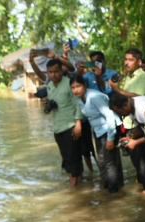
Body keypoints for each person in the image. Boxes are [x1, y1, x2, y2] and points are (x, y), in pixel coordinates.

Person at [30, 55, 85, 186]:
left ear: (61, 70)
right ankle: (75, 182)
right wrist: (47, 105)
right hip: (57, 127)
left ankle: (74, 188)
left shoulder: (69, 83)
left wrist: (78, 124)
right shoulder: (49, 86)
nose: (53, 75)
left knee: (73, 156)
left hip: (71, 125)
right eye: (50, 72)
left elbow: (77, 104)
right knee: (66, 158)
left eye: (56, 71)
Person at [109, 49, 145, 192]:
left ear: (139, 62)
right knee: (137, 161)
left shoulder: (144, 77)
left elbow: (137, 97)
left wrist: (118, 90)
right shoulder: (127, 77)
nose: (126, 62)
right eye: (126, 59)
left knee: (143, 161)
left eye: (130, 60)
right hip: (132, 124)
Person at [71, 76, 124, 193]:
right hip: (98, 130)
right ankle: (110, 185)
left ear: (84, 85)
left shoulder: (94, 97)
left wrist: (110, 138)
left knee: (109, 161)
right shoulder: (80, 99)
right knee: (101, 160)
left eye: (78, 86)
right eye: (73, 88)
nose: (76, 90)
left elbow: (109, 116)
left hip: (109, 127)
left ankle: (113, 191)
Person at [110, 91, 145, 192]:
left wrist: (135, 142)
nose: (120, 115)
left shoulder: (142, 109)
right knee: (140, 155)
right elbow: (142, 127)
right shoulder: (131, 108)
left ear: (125, 105)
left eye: (119, 112)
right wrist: (131, 136)